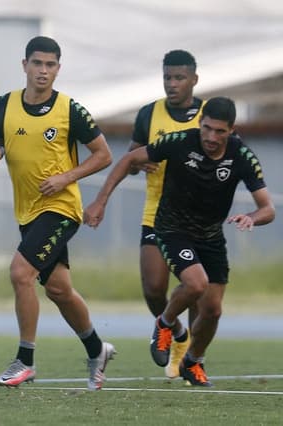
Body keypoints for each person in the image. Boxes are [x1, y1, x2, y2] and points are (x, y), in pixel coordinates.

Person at [84, 97, 275, 386]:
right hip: (172, 228)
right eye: (206, 128)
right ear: (200, 123)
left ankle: (192, 361)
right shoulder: (180, 142)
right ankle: (165, 323)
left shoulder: (242, 156)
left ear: (231, 130)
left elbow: (268, 209)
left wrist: (252, 217)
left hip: (210, 236)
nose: (211, 137)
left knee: (213, 311)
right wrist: (100, 201)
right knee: (194, 284)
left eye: (219, 132)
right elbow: (129, 159)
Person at [0, 36, 116, 391]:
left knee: (20, 273)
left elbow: (103, 155)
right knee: (58, 289)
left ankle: (24, 361)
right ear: (24, 65)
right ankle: (96, 349)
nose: (43, 71)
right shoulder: (3, 105)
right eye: (37, 63)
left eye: (51, 65)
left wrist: (67, 177)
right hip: (27, 212)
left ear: (58, 68)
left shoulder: (70, 109)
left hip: (61, 209)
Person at [127, 49, 203, 379]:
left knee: (198, 291)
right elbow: (131, 158)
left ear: (194, 80)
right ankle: (176, 333)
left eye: (179, 78)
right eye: (167, 78)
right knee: (153, 288)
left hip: (200, 219)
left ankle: (193, 358)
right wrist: (139, 162)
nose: (172, 84)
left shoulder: (208, 116)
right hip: (157, 213)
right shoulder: (148, 114)